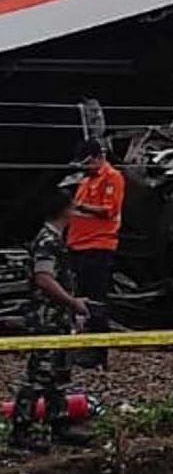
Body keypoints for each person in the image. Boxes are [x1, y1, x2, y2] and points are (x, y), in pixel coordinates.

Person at [10, 191, 90, 452]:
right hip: (47, 317)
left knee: (58, 373)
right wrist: (72, 301)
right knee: (39, 374)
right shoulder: (47, 241)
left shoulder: (56, 240)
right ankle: (22, 428)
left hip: (58, 317)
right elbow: (44, 278)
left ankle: (60, 422)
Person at [68, 138, 125, 367]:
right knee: (82, 300)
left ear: (100, 157)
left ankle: (98, 352)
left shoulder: (112, 177)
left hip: (98, 246)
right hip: (79, 246)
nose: (86, 167)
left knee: (96, 300)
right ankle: (85, 346)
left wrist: (78, 207)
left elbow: (109, 210)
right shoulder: (85, 181)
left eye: (89, 162)